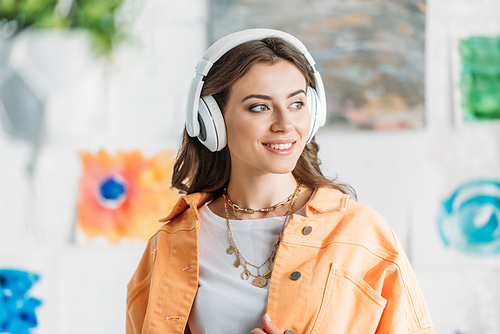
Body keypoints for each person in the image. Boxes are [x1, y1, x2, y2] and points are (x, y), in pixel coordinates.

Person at [126, 29, 435, 334]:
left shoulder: (362, 235)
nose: (285, 124)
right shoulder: (169, 244)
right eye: (259, 107)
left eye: (296, 104)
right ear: (212, 121)